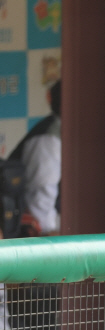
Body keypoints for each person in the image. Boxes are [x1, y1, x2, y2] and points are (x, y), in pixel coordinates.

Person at [8, 80, 61, 235]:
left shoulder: (59, 130)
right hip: (30, 233)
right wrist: (49, 232)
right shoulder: (49, 137)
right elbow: (41, 194)